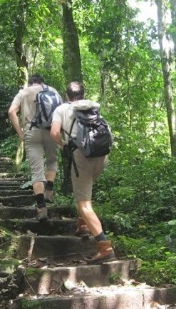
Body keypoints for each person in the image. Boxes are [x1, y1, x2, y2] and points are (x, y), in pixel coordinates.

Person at [50, 81, 115, 265]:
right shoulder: (92, 107)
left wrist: (64, 145)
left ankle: (104, 246)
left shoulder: (61, 109)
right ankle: (83, 225)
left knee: (84, 204)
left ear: (66, 95)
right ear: (83, 94)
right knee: (85, 192)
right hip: (101, 154)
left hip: (82, 156)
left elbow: (55, 133)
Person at [8, 74, 62, 221]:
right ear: (42, 82)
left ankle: (41, 207)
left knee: (37, 170)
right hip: (51, 131)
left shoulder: (24, 92)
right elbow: (63, 112)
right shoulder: (53, 91)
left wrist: (20, 133)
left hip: (31, 132)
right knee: (52, 160)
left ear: (30, 83)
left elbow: (11, 111)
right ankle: (49, 188)